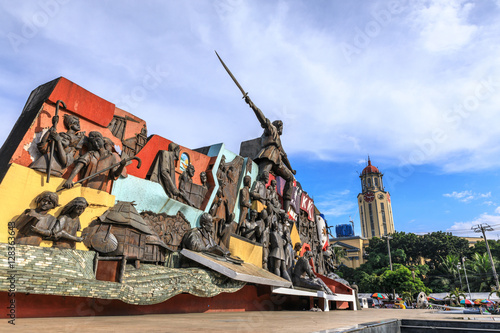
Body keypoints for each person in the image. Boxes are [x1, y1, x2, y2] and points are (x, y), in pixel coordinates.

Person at [245, 96, 296, 214]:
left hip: (277, 161)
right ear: (277, 126)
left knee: (290, 178)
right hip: (268, 156)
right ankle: (256, 202)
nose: (283, 128)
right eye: (281, 126)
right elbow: (263, 119)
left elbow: (284, 156)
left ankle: (285, 211)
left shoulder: (279, 140)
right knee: (262, 177)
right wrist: (252, 105)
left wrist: (291, 169)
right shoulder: (271, 129)